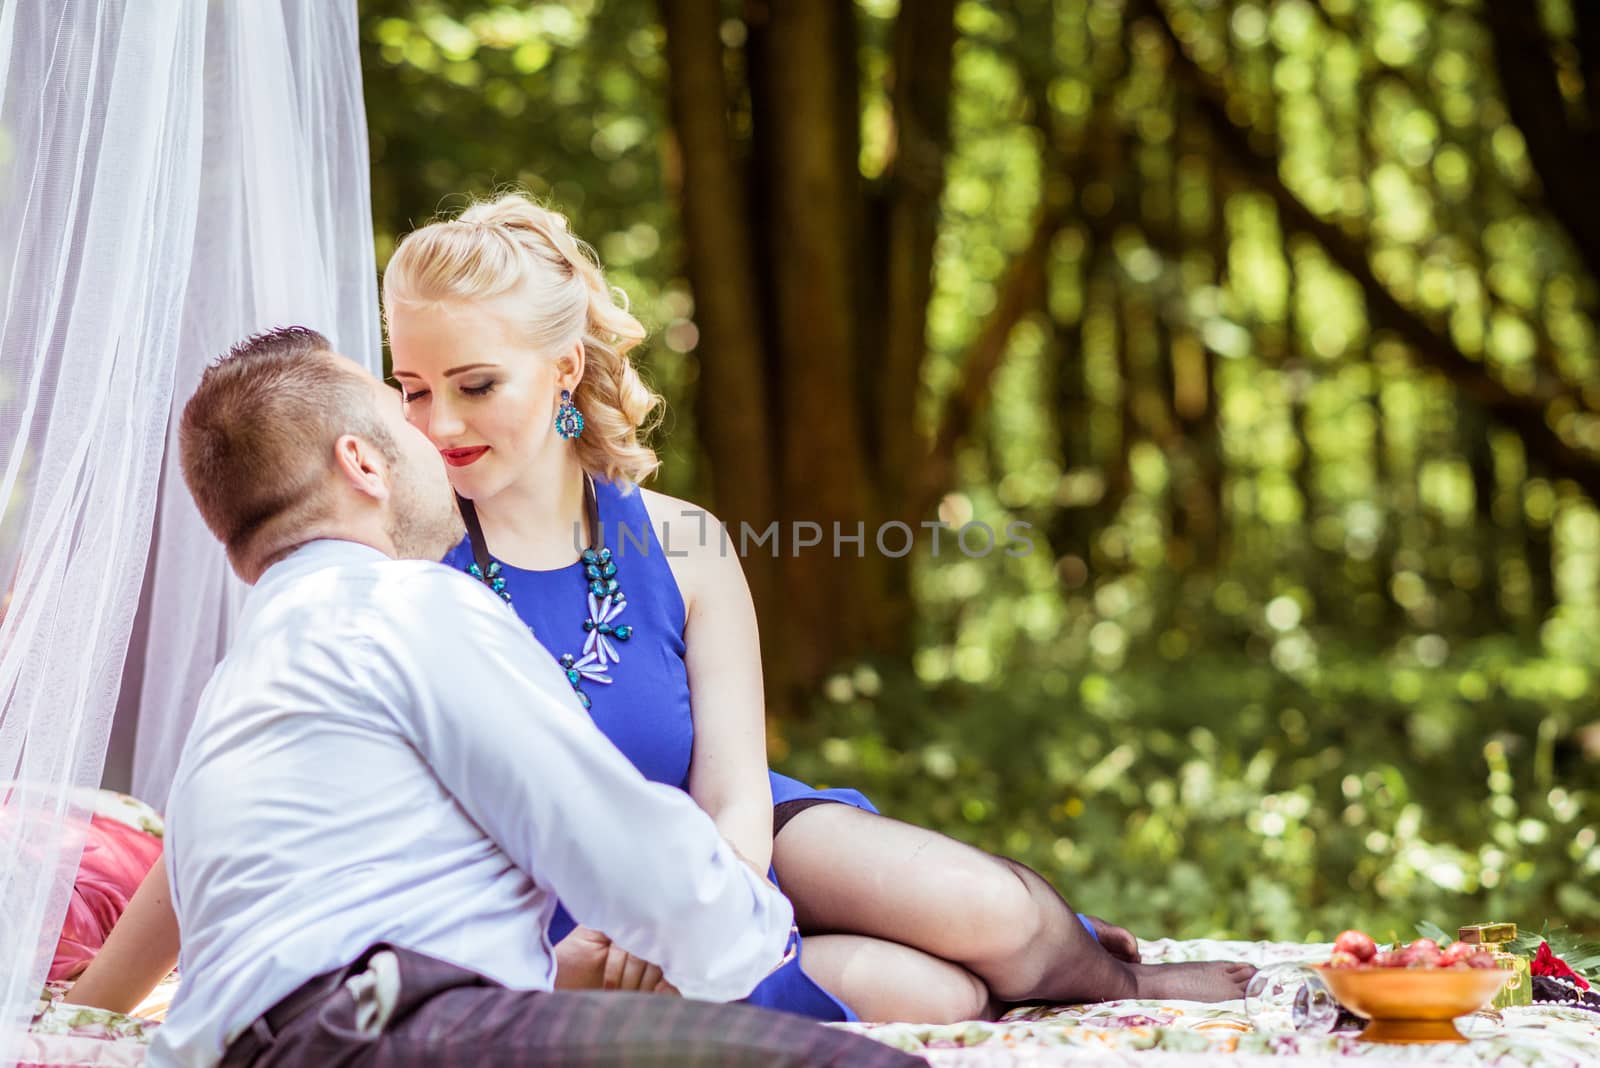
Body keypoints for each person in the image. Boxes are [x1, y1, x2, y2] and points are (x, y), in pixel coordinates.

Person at [381, 193, 1256, 1022]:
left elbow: (732, 789)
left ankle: (1113, 977)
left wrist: (708, 897)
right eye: (413, 388)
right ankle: (903, 958)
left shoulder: (684, 543)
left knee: (1001, 915)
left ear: (564, 367)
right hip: (583, 930)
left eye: (475, 385)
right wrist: (618, 943)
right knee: (938, 995)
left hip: (737, 845)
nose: (438, 424)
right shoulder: (401, 570)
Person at [144, 327, 918, 1068]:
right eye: (402, 413)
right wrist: (749, 949)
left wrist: (551, 973)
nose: (436, 440)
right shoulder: (409, 607)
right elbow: (602, 832)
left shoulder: (238, 685)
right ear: (363, 463)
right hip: (381, 1033)